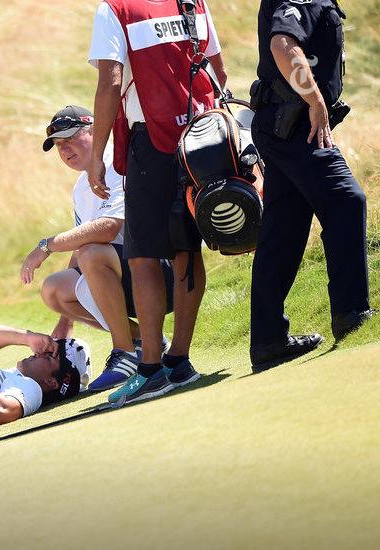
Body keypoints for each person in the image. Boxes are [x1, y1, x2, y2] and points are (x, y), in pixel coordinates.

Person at [88, 0, 228, 406]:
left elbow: (110, 83)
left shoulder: (115, 8)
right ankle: (179, 360)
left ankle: (151, 369)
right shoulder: (191, 1)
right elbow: (218, 70)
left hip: (154, 144)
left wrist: (97, 154)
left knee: (143, 256)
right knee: (186, 248)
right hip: (203, 139)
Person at [247, 0, 372, 372]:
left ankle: (268, 340)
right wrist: (316, 101)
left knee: (282, 231)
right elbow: (282, 45)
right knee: (347, 200)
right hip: (296, 125)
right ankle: (352, 312)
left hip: (282, 123)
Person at [20, 105, 177, 392]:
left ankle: (124, 353)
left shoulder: (118, 163)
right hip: (121, 278)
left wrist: (46, 246)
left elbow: (109, 228)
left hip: (159, 275)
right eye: (58, 145)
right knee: (54, 288)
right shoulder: (80, 187)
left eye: (71, 139)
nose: (65, 150)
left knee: (92, 252)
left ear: (94, 131)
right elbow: (79, 246)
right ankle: (144, 340)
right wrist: (65, 322)